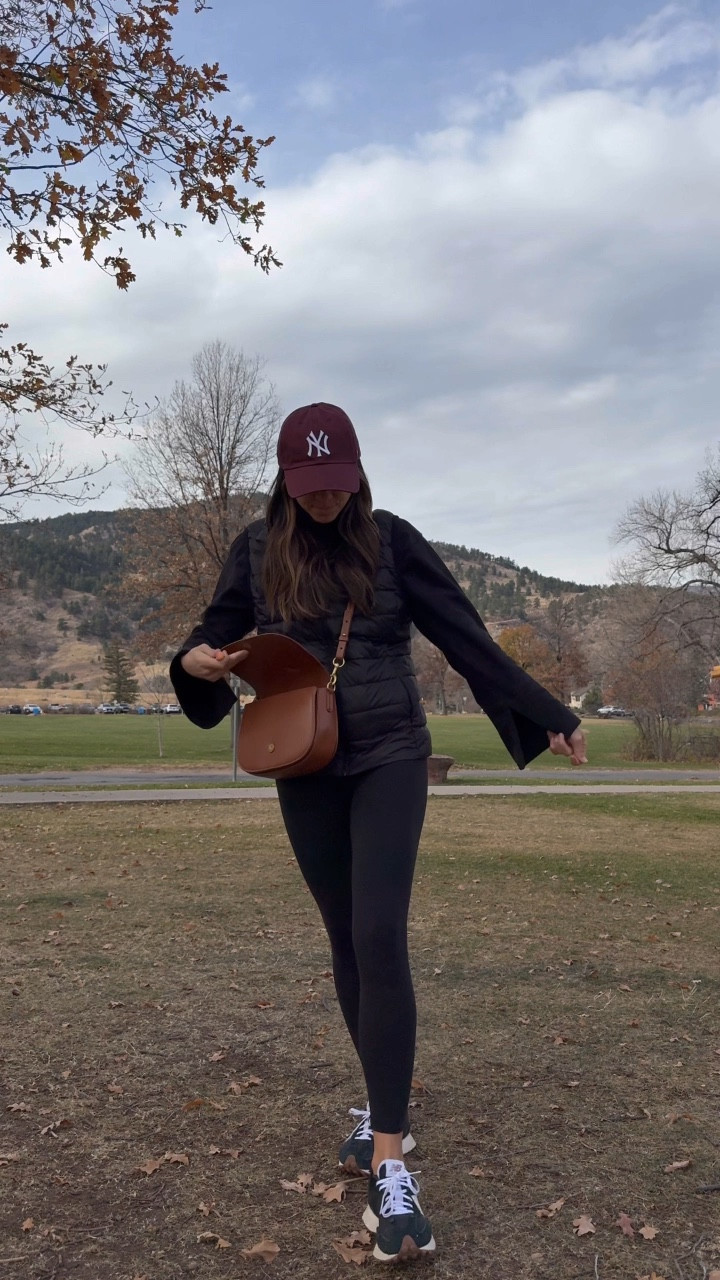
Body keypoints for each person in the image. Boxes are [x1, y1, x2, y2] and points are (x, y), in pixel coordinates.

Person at [170, 402, 588, 1264]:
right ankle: (381, 1103)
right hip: (303, 759)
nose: (324, 499)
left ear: (357, 474)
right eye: (309, 486)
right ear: (286, 481)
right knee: (345, 941)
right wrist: (193, 659)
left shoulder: (391, 541)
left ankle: (390, 1162)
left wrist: (547, 711)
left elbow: (465, 635)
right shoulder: (255, 547)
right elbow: (215, 633)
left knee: (378, 934)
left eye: (336, 484)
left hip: (391, 754)